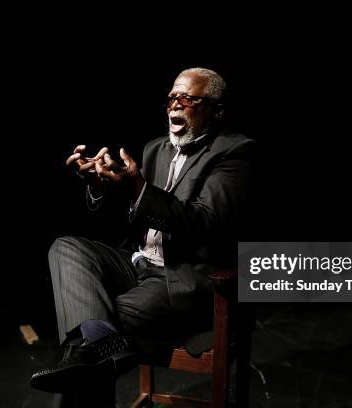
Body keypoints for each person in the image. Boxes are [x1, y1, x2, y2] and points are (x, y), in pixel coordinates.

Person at [30, 67, 256, 400]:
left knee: (95, 331)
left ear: (216, 110)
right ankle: (95, 347)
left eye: (187, 99)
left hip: (179, 279)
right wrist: (99, 187)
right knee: (65, 247)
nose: (175, 105)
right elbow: (128, 218)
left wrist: (138, 187)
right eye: (171, 98)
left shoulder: (235, 152)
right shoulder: (155, 148)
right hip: (137, 264)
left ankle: (91, 350)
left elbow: (206, 222)